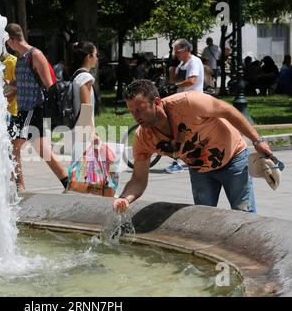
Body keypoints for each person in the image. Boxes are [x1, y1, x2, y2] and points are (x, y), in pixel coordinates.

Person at [113, 79, 274, 214]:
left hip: (234, 158)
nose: (136, 117)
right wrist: (124, 199)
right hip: (200, 170)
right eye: (132, 112)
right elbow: (139, 180)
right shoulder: (143, 138)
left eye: (139, 110)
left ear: (156, 102)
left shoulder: (188, 103)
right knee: (203, 218)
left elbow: (228, 111)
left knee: (244, 214)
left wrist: (257, 141)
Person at [5, 23, 68, 192]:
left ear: (12, 39)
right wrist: (8, 84)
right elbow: (24, 83)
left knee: (13, 146)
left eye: (7, 42)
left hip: (33, 108)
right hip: (23, 109)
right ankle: (68, 183)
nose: (6, 46)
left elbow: (50, 85)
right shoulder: (20, 56)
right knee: (43, 151)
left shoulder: (35, 54)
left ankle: (19, 186)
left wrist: (54, 111)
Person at [166, 38, 204, 174]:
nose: (176, 54)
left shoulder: (194, 62)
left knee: (182, 130)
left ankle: (179, 160)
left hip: (192, 100)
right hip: (182, 99)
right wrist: (172, 71)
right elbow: (174, 78)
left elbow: (192, 80)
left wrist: (175, 85)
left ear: (187, 50)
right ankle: (184, 157)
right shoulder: (183, 63)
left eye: (178, 51)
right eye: (175, 52)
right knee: (182, 129)